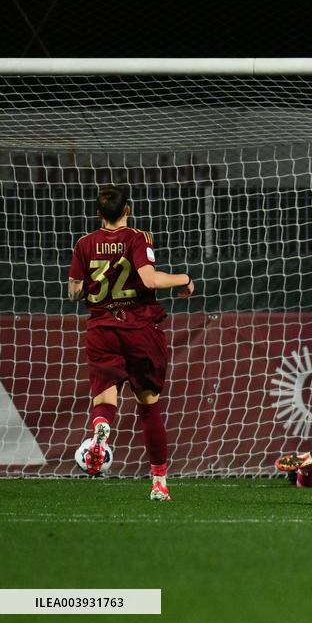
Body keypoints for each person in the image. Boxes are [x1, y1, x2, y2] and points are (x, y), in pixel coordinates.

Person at [68, 185, 194, 501]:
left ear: (98, 213)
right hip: (138, 329)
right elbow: (150, 280)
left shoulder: (84, 243)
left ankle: (100, 431)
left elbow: (74, 291)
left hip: (102, 329)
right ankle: (159, 483)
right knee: (149, 405)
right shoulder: (138, 237)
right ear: (128, 210)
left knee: (104, 399)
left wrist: (95, 286)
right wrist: (184, 279)